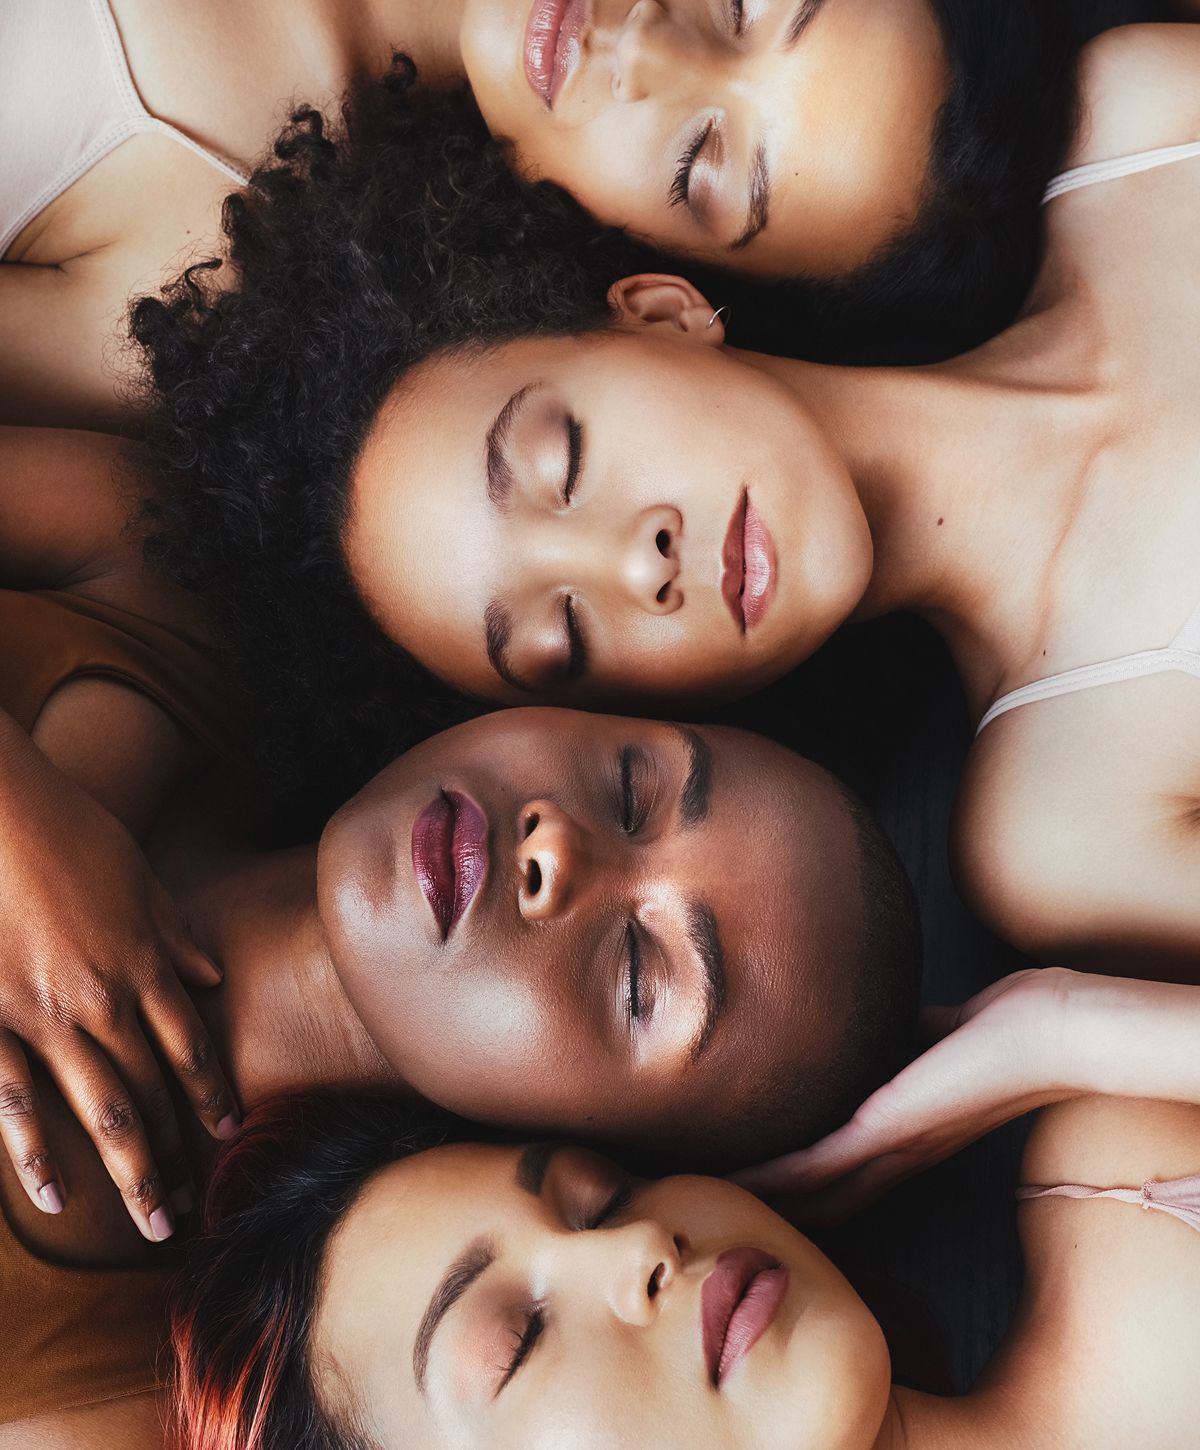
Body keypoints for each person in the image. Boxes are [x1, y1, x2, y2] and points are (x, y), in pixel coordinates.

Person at [139, 23, 1200, 971]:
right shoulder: (1059, 824)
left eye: (564, 463)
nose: (637, 565)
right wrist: (1056, 1036)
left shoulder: (1147, 131)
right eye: (565, 632)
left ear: (658, 310)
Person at [159, 967, 1200, 1450]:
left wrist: (1061, 1028)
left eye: (601, 1193)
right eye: (518, 1337)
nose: (644, 1245)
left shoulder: (1130, 1190)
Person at [2, 0, 1167, 430]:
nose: (647, 50)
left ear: (641, 254)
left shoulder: (209, 272)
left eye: (702, 164)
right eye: (743, 5)